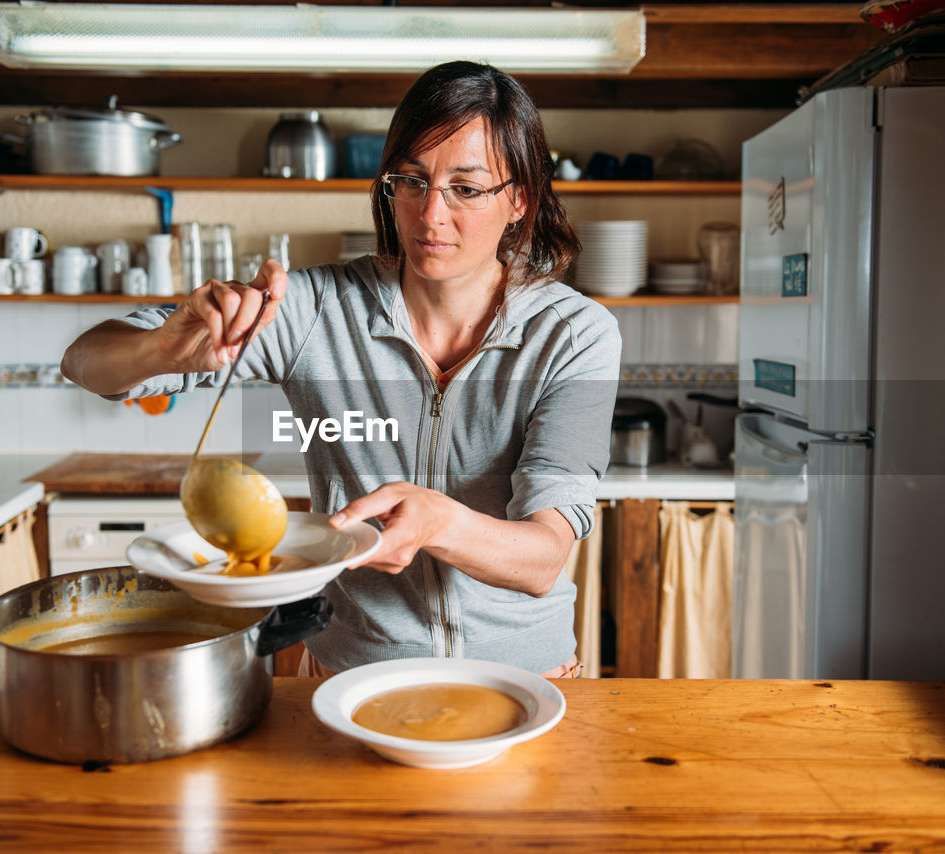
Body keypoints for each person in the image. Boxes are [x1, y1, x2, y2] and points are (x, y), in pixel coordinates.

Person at [61, 61, 622, 678]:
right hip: (352, 673)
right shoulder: (315, 310)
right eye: (411, 180)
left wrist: (440, 522)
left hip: (523, 676)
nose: (431, 215)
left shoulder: (574, 334)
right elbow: (85, 361)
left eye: (466, 187)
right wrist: (162, 350)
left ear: (519, 199)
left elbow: (543, 559)